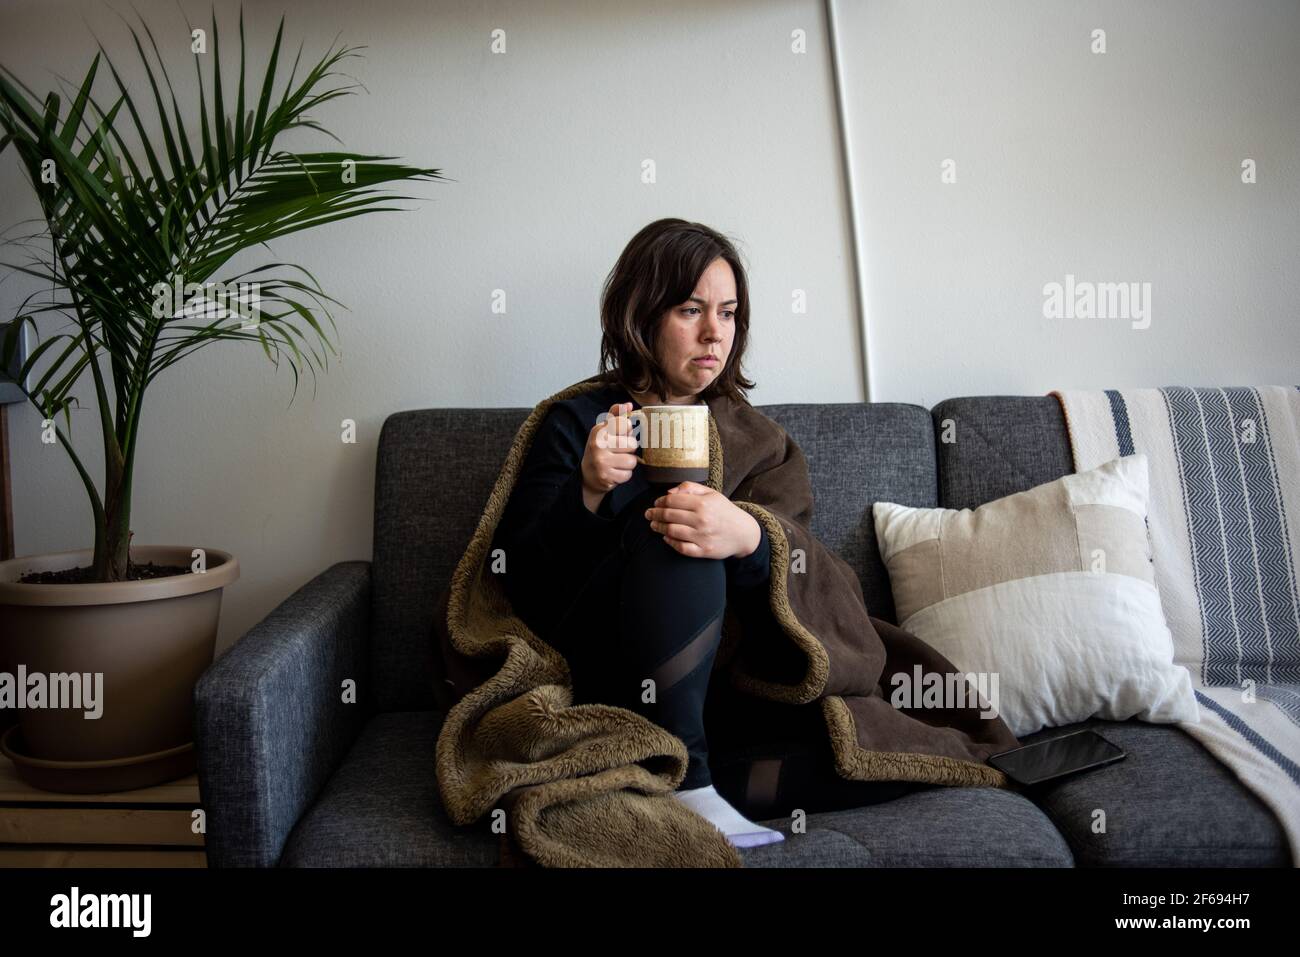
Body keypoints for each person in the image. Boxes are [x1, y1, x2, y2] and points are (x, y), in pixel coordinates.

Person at [491, 220, 833, 848]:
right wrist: (588, 491)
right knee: (676, 522)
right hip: (601, 666)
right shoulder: (579, 422)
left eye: (728, 314)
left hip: (721, 689)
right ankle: (690, 785)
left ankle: (664, 771)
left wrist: (750, 539)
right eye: (690, 309)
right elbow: (517, 580)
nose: (714, 334)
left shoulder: (762, 443)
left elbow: (803, 580)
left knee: (838, 762)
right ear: (640, 315)